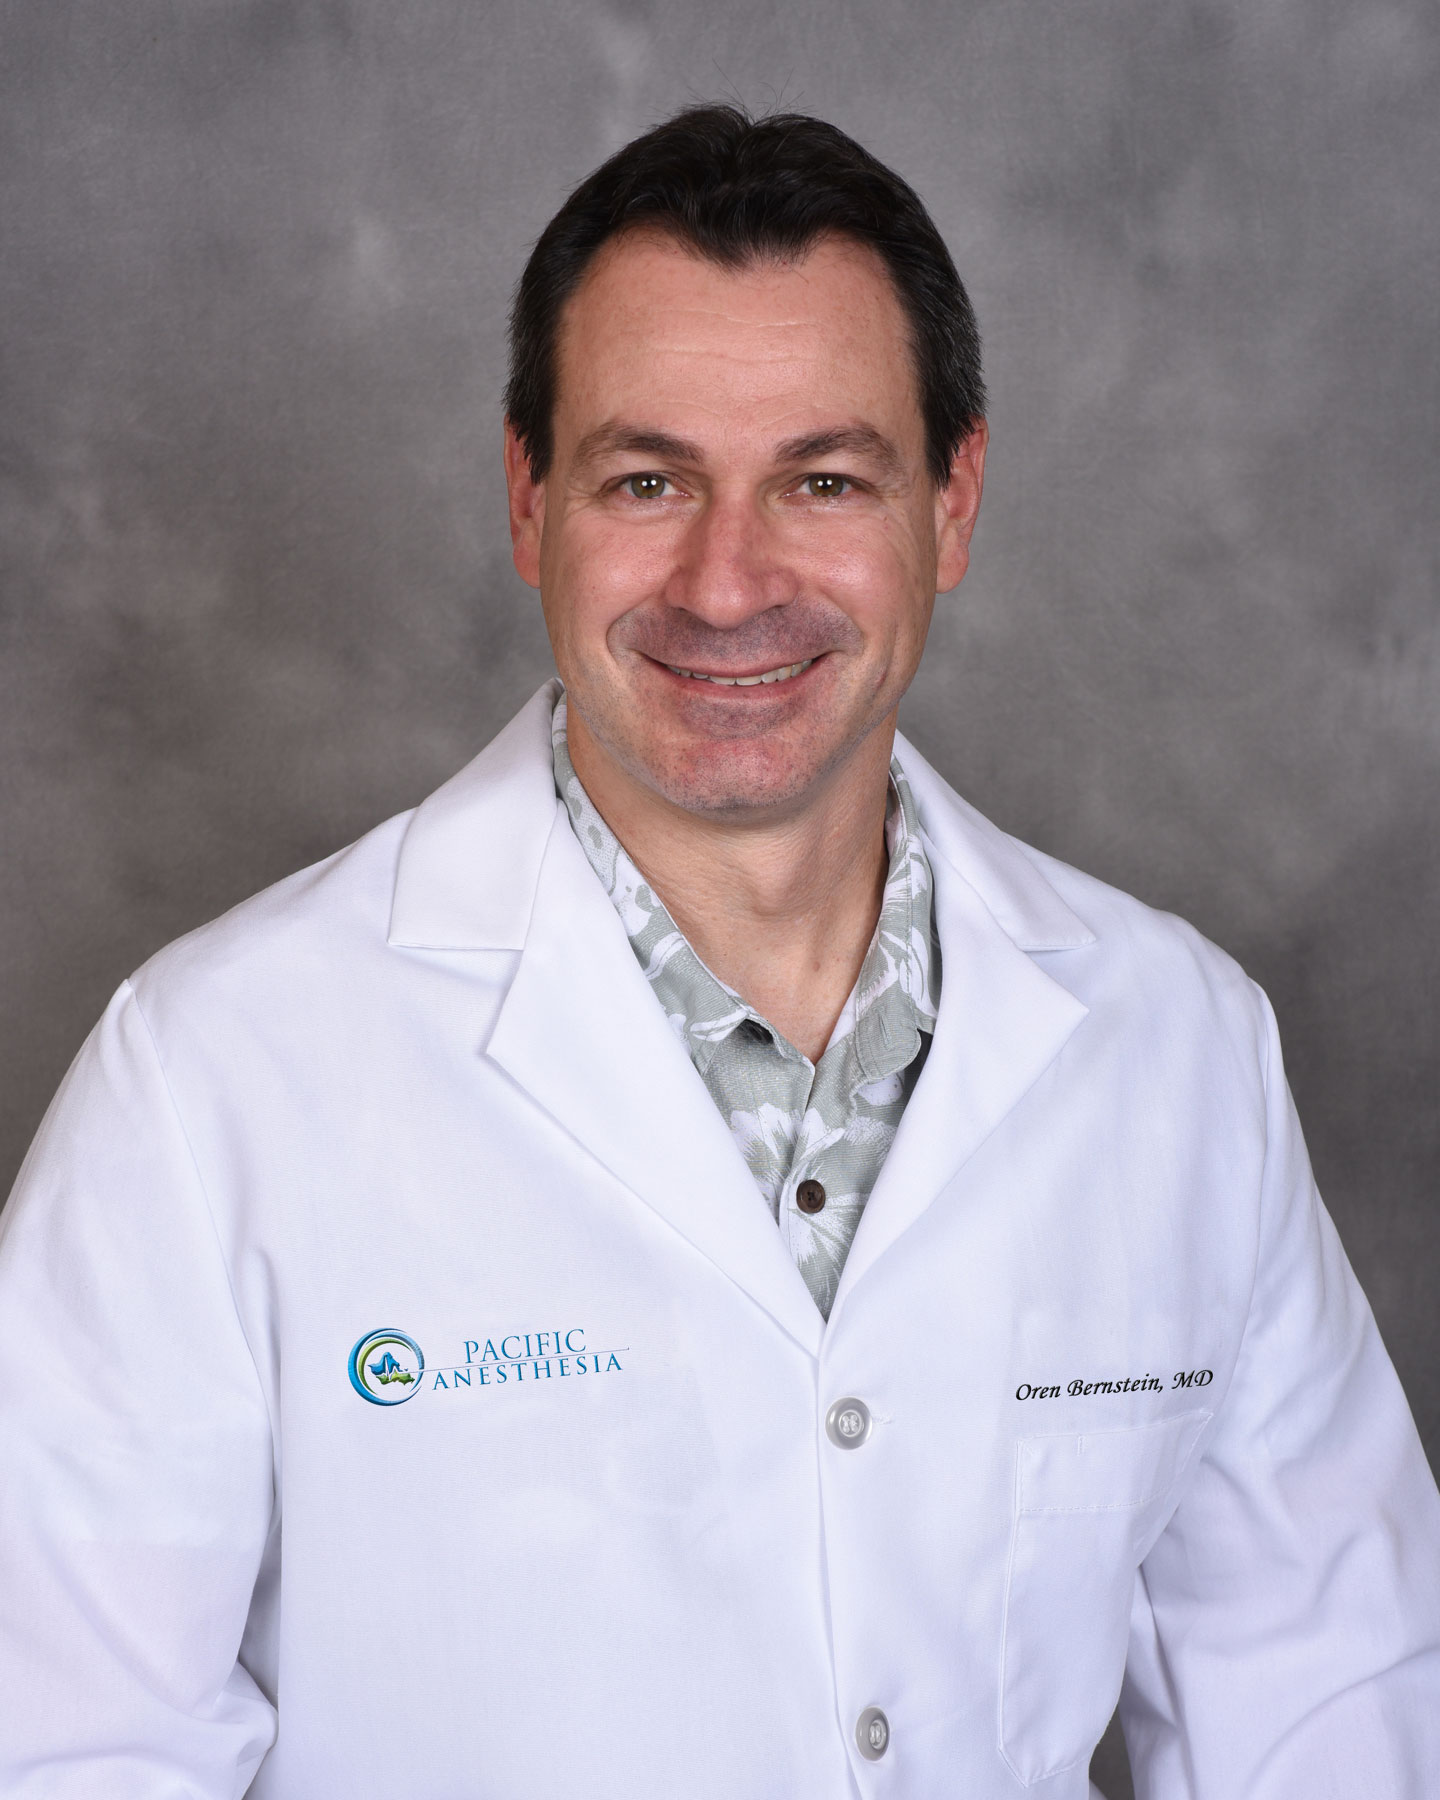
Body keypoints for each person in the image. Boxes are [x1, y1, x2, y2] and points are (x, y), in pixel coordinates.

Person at [1, 104, 1436, 1800]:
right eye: (647, 478)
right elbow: (66, 1749)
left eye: (824, 479)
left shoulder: (1179, 1048)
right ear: (531, 502)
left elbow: (1333, 1710)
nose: (729, 579)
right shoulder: (210, 1081)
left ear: (953, 505)